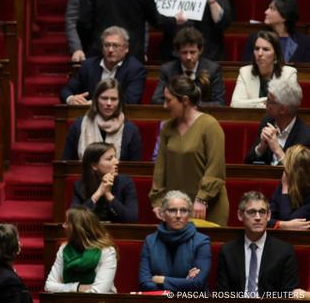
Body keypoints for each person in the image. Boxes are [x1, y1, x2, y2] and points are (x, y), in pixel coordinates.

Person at [149, 76, 228, 226]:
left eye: (169, 100)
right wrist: (158, 201)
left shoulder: (210, 125)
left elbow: (215, 168)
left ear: (185, 100)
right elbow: (160, 169)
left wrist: (202, 198)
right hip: (176, 209)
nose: (165, 106)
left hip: (207, 207)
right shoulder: (167, 127)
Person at [217, 191, 299, 294]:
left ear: (268, 215)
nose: (258, 217)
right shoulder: (228, 251)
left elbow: (288, 294)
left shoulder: (284, 251)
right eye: (252, 212)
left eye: (262, 212)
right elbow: (222, 293)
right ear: (240, 215)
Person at [139, 190, 212, 292]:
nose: (178, 215)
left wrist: (161, 279)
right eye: (172, 210)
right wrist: (184, 283)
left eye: (183, 210)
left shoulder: (201, 241)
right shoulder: (150, 241)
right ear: (162, 214)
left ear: (189, 215)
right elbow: (144, 283)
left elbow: (197, 284)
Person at [60, 26, 146, 105]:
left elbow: (130, 101)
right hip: (88, 117)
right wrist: (71, 99)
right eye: (107, 45)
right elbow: (66, 91)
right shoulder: (88, 65)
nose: (110, 50)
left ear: (126, 48)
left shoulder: (135, 69)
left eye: (115, 46)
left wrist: (94, 104)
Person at [62, 79, 142, 161]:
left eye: (114, 99)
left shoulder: (131, 130)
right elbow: (66, 164)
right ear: (96, 100)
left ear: (120, 102)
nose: (109, 103)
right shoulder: (78, 126)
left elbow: (135, 169)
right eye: (104, 98)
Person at [45, 207, 117, 293]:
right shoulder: (64, 249)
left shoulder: (107, 251)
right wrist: (76, 287)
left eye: (67, 223)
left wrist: (63, 288)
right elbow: (49, 285)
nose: (64, 226)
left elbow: (98, 292)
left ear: (78, 229)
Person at [152, 27, 225, 106]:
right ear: (177, 52)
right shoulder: (167, 70)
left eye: (192, 52)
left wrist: (191, 105)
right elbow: (156, 100)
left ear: (200, 50)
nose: (188, 57)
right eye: (184, 52)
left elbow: (219, 103)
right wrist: (180, 105)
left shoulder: (213, 69)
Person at [244, 78, 310, 165]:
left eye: (269, 101)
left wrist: (277, 149)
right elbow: (248, 163)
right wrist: (261, 148)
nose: (265, 104)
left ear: (282, 109)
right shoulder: (267, 122)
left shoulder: (305, 138)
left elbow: (298, 174)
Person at [70, 142, 138, 223]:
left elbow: (132, 218)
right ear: (94, 166)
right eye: (109, 159)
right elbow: (74, 219)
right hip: (91, 233)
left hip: (119, 232)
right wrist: (98, 193)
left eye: (115, 157)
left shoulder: (125, 182)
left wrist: (108, 195)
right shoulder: (80, 185)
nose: (117, 162)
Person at [232, 33, 298, 109]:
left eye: (265, 49)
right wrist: (266, 101)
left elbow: (288, 105)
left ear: (276, 54)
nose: (259, 53)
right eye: (257, 49)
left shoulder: (289, 73)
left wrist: (252, 103)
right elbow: (235, 103)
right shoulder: (245, 72)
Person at [241, 0, 310, 63]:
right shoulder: (254, 38)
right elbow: (247, 67)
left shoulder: (304, 42)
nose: (266, 12)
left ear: (284, 16)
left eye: (272, 9)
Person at [268, 145, 310, 229]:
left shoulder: (285, 185)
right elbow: (266, 219)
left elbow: (287, 219)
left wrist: (285, 190)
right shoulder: (284, 184)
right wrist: (281, 224)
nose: (284, 169)